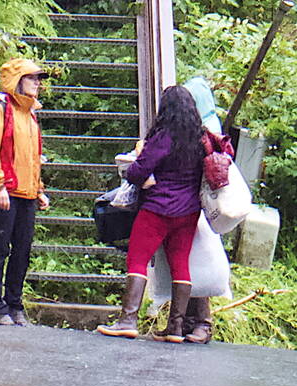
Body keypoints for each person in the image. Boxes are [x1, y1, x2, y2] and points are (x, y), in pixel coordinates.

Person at [98, 85, 207, 341]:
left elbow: (138, 173)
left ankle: (127, 320)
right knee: (180, 264)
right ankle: (176, 328)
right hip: (189, 211)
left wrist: (134, 163)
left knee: (137, 258)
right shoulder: (200, 139)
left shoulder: (164, 136)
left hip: (158, 209)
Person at [148, 78, 232, 343]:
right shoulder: (197, 124)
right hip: (193, 203)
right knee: (191, 262)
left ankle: (202, 324)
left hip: (200, 206)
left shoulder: (205, 129)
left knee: (199, 261)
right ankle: (185, 323)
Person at [0, 57, 50, 326]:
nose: (37, 84)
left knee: (22, 249)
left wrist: (39, 189)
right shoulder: (0, 107)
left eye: (38, 79)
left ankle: (15, 304)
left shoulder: (31, 113)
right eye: (32, 78)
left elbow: (32, 156)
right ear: (18, 81)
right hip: (5, 190)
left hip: (27, 192)